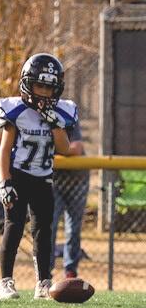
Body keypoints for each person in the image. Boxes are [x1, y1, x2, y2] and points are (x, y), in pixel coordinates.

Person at [0, 53, 76, 300]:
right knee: (14, 226)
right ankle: (5, 281)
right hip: (18, 176)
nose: (44, 92)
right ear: (28, 83)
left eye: (49, 87)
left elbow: (65, 148)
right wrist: (4, 181)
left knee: (43, 231)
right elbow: (4, 150)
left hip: (43, 179)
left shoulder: (61, 112)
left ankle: (42, 282)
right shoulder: (16, 110)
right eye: (40, 85)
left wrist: (55, 123)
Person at [50, 117, 89, 279]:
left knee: (73, 228)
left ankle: (70, 270)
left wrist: (52, 150)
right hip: (53, 181)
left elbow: (76, 148)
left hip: (77, 180)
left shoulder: (67, 116)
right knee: (48, 226)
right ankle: (45, 271)